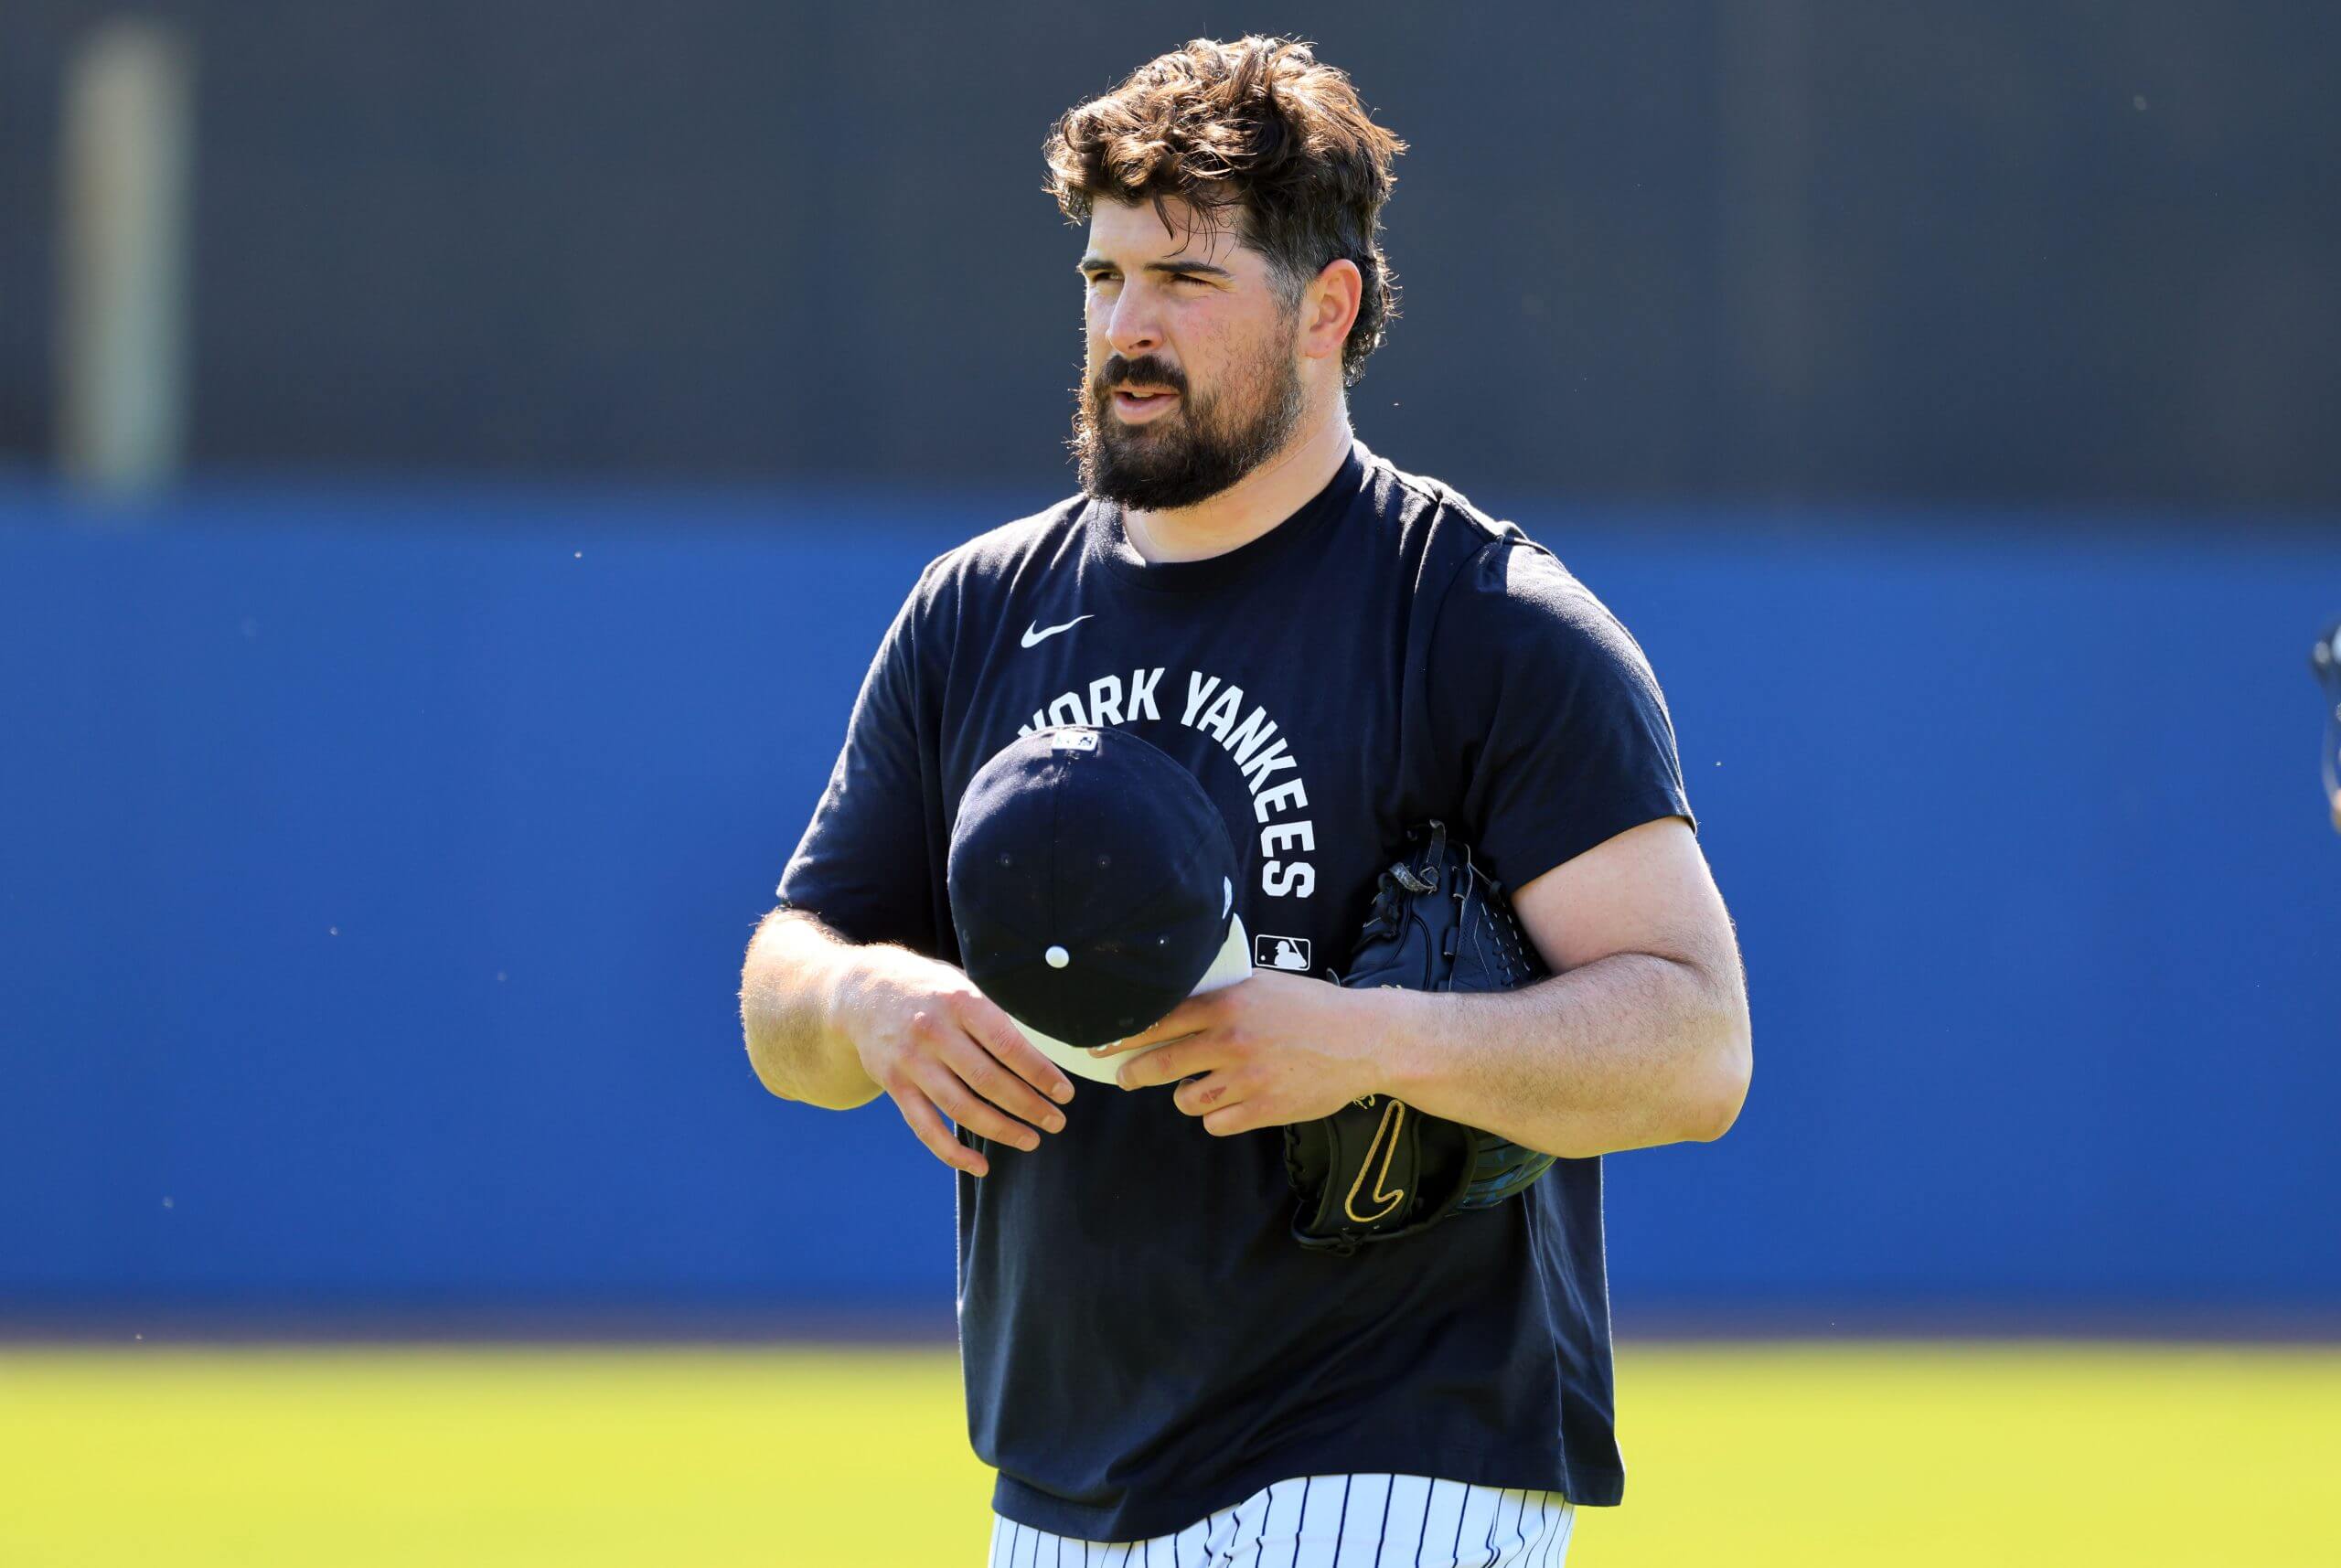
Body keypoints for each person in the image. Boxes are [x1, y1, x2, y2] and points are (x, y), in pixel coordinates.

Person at [739, 35, 1752, 1567]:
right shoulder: (980, 613)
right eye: (1103, 278)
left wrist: (1365, 1039)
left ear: (1327, 308)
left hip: (1395, 1462)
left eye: (1186, 282)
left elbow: (1696, 1043)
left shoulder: (1479, 619)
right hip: (1057, 1483)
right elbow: (781, 982)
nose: (1126, 329)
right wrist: (871, 1001)